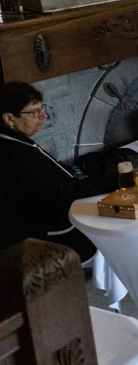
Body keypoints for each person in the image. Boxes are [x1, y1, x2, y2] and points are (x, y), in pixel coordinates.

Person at [0, 82, 98, 261]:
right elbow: (62, 189)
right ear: (9, 118)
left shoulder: (12, 140)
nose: (43, 116)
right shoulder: (17, 152)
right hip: (45, 238)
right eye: (34, 112)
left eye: (42, 108)